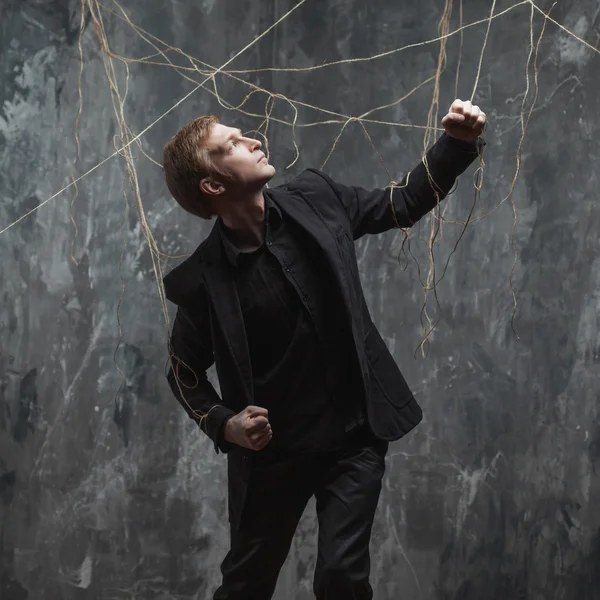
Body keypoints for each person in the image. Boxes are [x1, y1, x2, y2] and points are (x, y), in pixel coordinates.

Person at [162, 99, 487, 599]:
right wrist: (226, 424)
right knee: (246, 585)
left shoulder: (316, 197)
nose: (252, 140)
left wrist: (457, 144)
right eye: (232, 144)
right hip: (273, 455)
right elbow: (182, 372)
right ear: (213, 185)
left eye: (243, 133)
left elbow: (399, 204)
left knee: (342, 580)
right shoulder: (203, 282)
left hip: (354, 439)